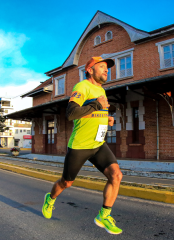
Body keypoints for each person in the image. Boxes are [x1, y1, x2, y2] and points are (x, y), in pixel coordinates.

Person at [42, 56, 123, 235]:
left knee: (116, 175)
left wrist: (106, 118)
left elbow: (94, 112)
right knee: (67, 182)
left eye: (107, 68)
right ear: (89, 70)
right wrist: (96, 104)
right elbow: (71, 113)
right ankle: (50, 198)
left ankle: (104, 215)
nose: (106, 70)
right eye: (101, 67)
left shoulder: (101, 90)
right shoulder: (82, 87)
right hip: (80, 145)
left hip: (98, 143)